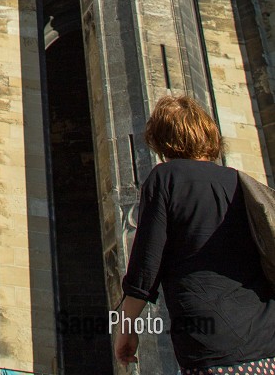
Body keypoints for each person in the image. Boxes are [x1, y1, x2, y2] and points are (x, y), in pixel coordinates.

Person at [115, 94, 275, 372]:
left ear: (161, 139)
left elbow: (146, 266)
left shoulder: (165, 178)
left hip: (211, 342)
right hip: (266, 336)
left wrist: (126, 326)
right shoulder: (238, 182)